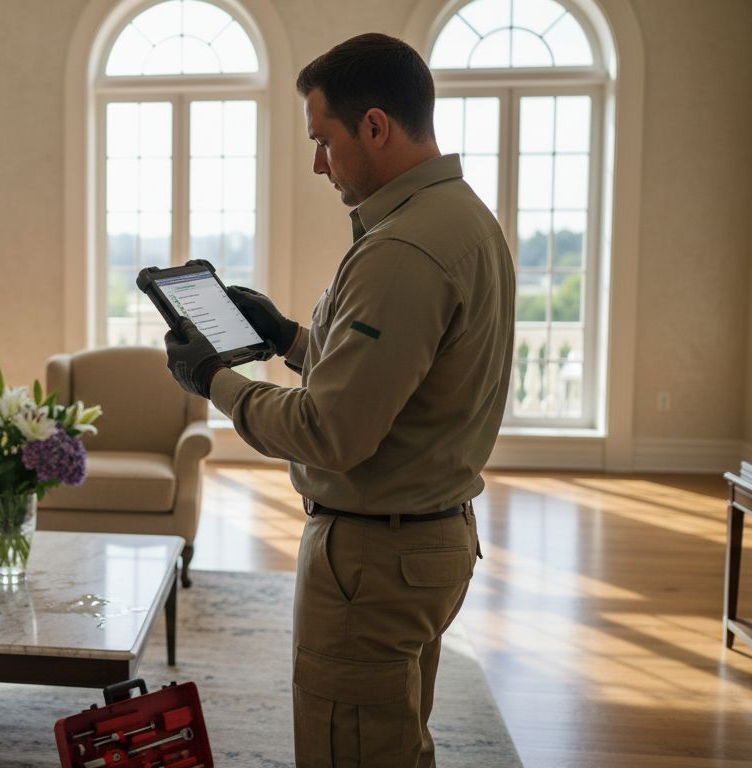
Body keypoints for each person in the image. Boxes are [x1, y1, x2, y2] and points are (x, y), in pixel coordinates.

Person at [163, 33, 515, 768]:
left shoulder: (402, 250)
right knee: (392, 743)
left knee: (350, 753)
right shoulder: (462, 220)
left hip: (374, 560)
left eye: (323, 140)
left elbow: (330, 430)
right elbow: (397, 382)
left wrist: (214, 382)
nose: (318, 163)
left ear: (376, 126)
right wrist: (289, 336)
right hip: (426, 539)